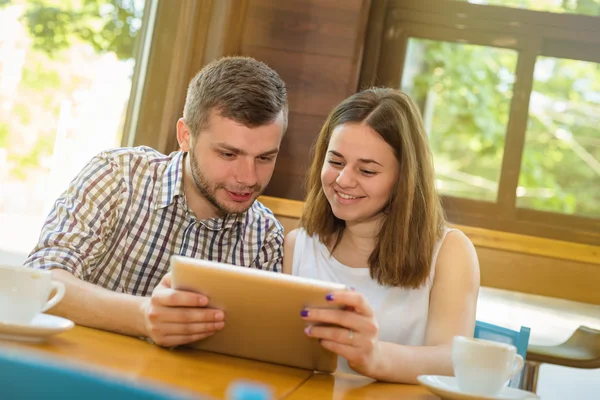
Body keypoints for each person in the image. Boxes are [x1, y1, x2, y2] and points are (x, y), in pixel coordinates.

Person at [24, 56, 288, 347]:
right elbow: (40, 281)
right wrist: (143, 315)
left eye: (265, 158)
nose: (248, 178)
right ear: (185, 136)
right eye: (228, 154)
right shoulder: (118, 176)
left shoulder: (266, 236)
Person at [282, 88, 480, 383]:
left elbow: (452, 361)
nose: (343, 180)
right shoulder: (298, 245)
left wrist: (373, 356)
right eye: (335, 162)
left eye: (367, 171)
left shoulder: (450, 251)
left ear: (404, 179)